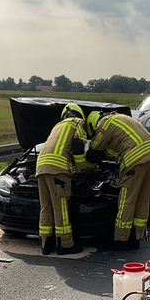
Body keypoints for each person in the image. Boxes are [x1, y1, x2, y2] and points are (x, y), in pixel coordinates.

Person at [84, 111, 150, 251]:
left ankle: (121, 240)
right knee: (142, 199)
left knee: (127, 201)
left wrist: (87, 171)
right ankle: (136, 238)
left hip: (135, 158)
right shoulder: (121, 118)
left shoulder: (104, 124)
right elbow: (117, 146)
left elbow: (94, 151)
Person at [35, 103, 87, 255]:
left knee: (46, 207)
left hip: (41, 167)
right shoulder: (77, 122)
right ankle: (65, 245)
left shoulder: (57, 126)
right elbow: (78, 145)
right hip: (58, 169)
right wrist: (81, 171)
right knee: (61, 208)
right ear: (79, 114)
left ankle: (46, 244)